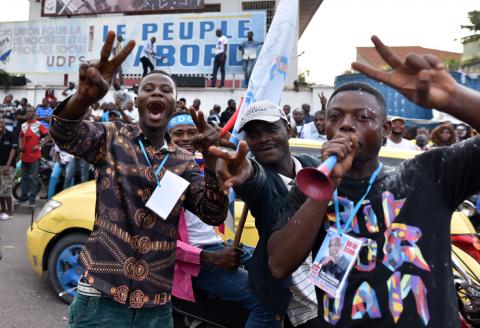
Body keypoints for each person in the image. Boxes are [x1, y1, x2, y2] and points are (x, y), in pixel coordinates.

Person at [267, 36, 480, 327]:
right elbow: (279, 265)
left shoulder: (428, 174)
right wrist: (324, 188)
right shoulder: (308, 188)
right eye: (335, 116)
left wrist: (452, 96)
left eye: (362, 117)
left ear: (385, 130)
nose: (346, 124)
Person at [49, 31, 228, 327]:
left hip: (155, 307)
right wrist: (82, 97)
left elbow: (213, 212)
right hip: (99, 299)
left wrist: (211, 165)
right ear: (138, 99)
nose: (157, 93)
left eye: (165, 90)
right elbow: (64, 135)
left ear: (173, 104)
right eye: (149, 88)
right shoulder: (112, 137)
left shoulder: (183, 162)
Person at [208, 101, 321, 327]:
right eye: (254, 134)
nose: (263, 139)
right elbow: (253, 176)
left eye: (271, 129)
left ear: (288, 130)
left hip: (325, 300)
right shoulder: (261, 181)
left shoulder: (311, 167)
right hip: (290, 308)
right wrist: (241, 169)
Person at [167, 112, 278, 327]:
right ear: (167, 138)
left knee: (279, 268)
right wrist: (210, 258)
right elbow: (159, 242)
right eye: (177, 133)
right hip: (196, 263)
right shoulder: (163, 176)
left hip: (222, 245)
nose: (186, 138)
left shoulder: (204, 168)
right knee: (265, 301)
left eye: (192, 132)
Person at [16, 106, 49, 207]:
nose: (28, 113)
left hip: (35, 156)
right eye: (27, 111)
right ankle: (23, 197)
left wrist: (40, 145)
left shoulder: (39, 125)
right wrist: (20, 144)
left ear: (34, 113)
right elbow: (20, 137)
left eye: (31, 111)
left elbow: (48, 135)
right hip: (25, 155)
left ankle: (32, 200)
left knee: (34, 178)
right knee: (24, 178)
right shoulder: (23, 125)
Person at [0, 117, 17, 220]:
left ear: (5, 123)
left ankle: (9, 212)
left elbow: (13, 150)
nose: (0, 124)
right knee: (0, 190)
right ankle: (2, 211)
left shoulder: (11, 134)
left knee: (6, 189)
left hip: (8, 166)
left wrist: (8, 165)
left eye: (1, 122)